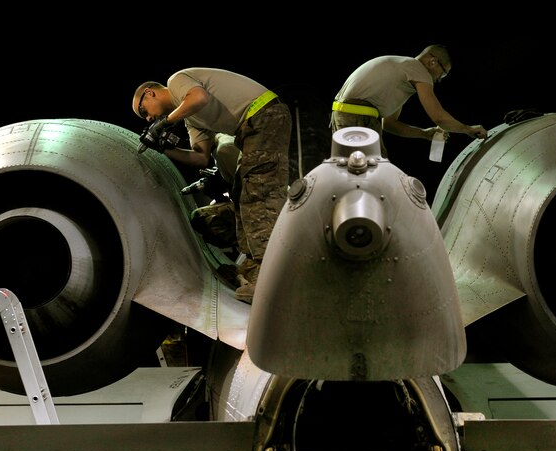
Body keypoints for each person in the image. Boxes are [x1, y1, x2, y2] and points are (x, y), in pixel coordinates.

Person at [132, 68, 291, 303]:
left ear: (150, 93)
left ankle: (269, 279)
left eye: (143, 111)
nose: (148, 119)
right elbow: (200, 157)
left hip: (263, 115)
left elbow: (199, 98)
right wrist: (165, 149)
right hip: (250, 129)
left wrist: (164, 123)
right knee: (240, 194)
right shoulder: (191, 117)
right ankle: (253, 268)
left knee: (256, 196)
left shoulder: (177, 81)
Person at [330, 44, 489, 157]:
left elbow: (389, 124)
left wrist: (424, 134)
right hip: (358, 118)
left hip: (347, 116)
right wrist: (467, 129)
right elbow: (438, 117)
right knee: (374, 176)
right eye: (443, 73)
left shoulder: (402, 71)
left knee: (358, 175)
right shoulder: (418, 69)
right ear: (432, 62)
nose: (439, 80)